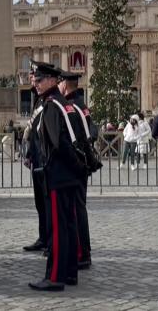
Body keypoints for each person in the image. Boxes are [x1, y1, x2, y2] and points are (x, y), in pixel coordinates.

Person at [28, 61, 83, 291]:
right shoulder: (65, 104)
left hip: (57, 174)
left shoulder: (51, 106)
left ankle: (55, 276)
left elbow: (57, 143)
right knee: (69, 224)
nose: (36, 84)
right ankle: (70, 272)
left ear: (52, 80)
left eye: (39, 80)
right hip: (69, 175)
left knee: (57, 227)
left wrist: (68, 164)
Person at [59, 69, 96, 270]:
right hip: (82, 162)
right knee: (79, 208)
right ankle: (83, 252)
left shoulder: (70, 107)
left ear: (64, 84)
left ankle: (82, 253)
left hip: (75, 164)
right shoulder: (82, 105)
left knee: (76, 209)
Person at [22, 72, 49, 254]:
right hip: (37, 160)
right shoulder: (38, 101)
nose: (33, 81)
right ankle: (43, 237)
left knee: (48, 204)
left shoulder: (49, 102)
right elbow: (34, 134)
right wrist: (29, 154)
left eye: (36, 78)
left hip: (45, 161)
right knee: (40, 203)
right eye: (33, 78)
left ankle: (51, 240)